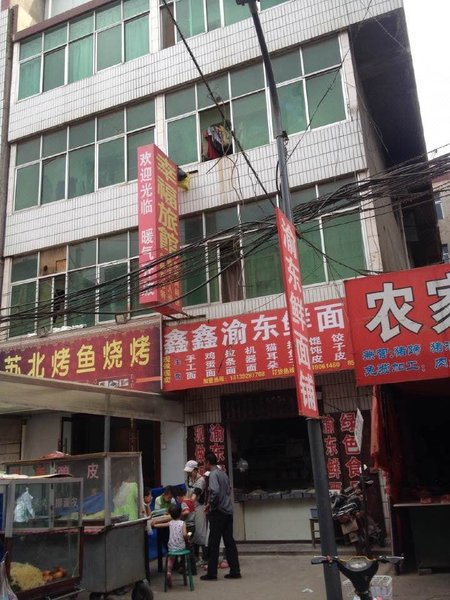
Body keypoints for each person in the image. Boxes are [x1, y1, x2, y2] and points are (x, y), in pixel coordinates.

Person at [200, 452, 241, 581]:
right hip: (228, 511)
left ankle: (212, 573)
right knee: (229, 542)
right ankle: (235, 571)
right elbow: (227, 490)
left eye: (204, 462)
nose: (204, 464)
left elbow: (215, 492)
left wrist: (211, 505)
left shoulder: (213, 475)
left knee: (214, 543)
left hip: (218, 512)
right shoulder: (223, 473)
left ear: (208, 462)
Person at [153, 505, 189, 588]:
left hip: (171, 547)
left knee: (171, 559)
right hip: (181, 547)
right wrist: (188, 536)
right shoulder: (182, 523)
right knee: (185, 552)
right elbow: (184, 535)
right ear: (180, 514)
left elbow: (161, 525)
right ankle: (183, 566)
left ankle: (169, 572)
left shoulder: (170, 523)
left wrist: (154, 525)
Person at [184, 460, 208, 565]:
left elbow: (194, 497)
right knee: (193, 533)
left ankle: (206, 558)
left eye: (190, 472)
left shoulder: (201, 480)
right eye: (187, 472)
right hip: (191, 508)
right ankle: (196, 557)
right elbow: (187, 493)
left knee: (201, 533)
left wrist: (184, 503)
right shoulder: (189, 479)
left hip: (199, 508)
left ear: (195, 470)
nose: (189, 474)